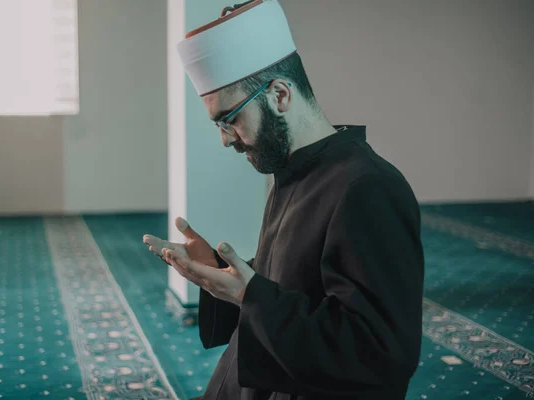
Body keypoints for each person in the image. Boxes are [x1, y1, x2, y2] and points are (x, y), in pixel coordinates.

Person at [142, 1, 425, 398]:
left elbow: (379, 352)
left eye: (230, 119)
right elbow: (295, 278)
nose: (225, 139)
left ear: (279, 95)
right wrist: (219, 273)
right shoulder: (294, 171)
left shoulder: (369, 188)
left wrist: (248, 293)